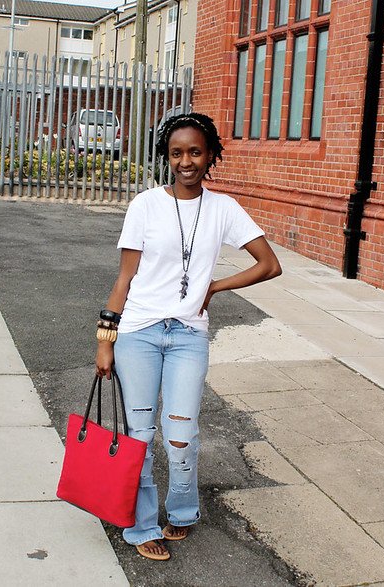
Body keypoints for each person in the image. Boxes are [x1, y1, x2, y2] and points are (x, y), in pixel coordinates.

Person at [95, 112, 282, 561]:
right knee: (138, 435)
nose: (186, 161)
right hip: (137, 333)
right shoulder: (145, 205)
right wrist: (105, 338)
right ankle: (139, 526)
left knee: (182, 435)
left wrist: (213, 287)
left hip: (187, 337)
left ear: (211, 155)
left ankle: (180, 512)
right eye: (177, 153)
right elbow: (125, 278)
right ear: (167, 157)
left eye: (196, 152)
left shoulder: (223, 209)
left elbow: (269, 264)